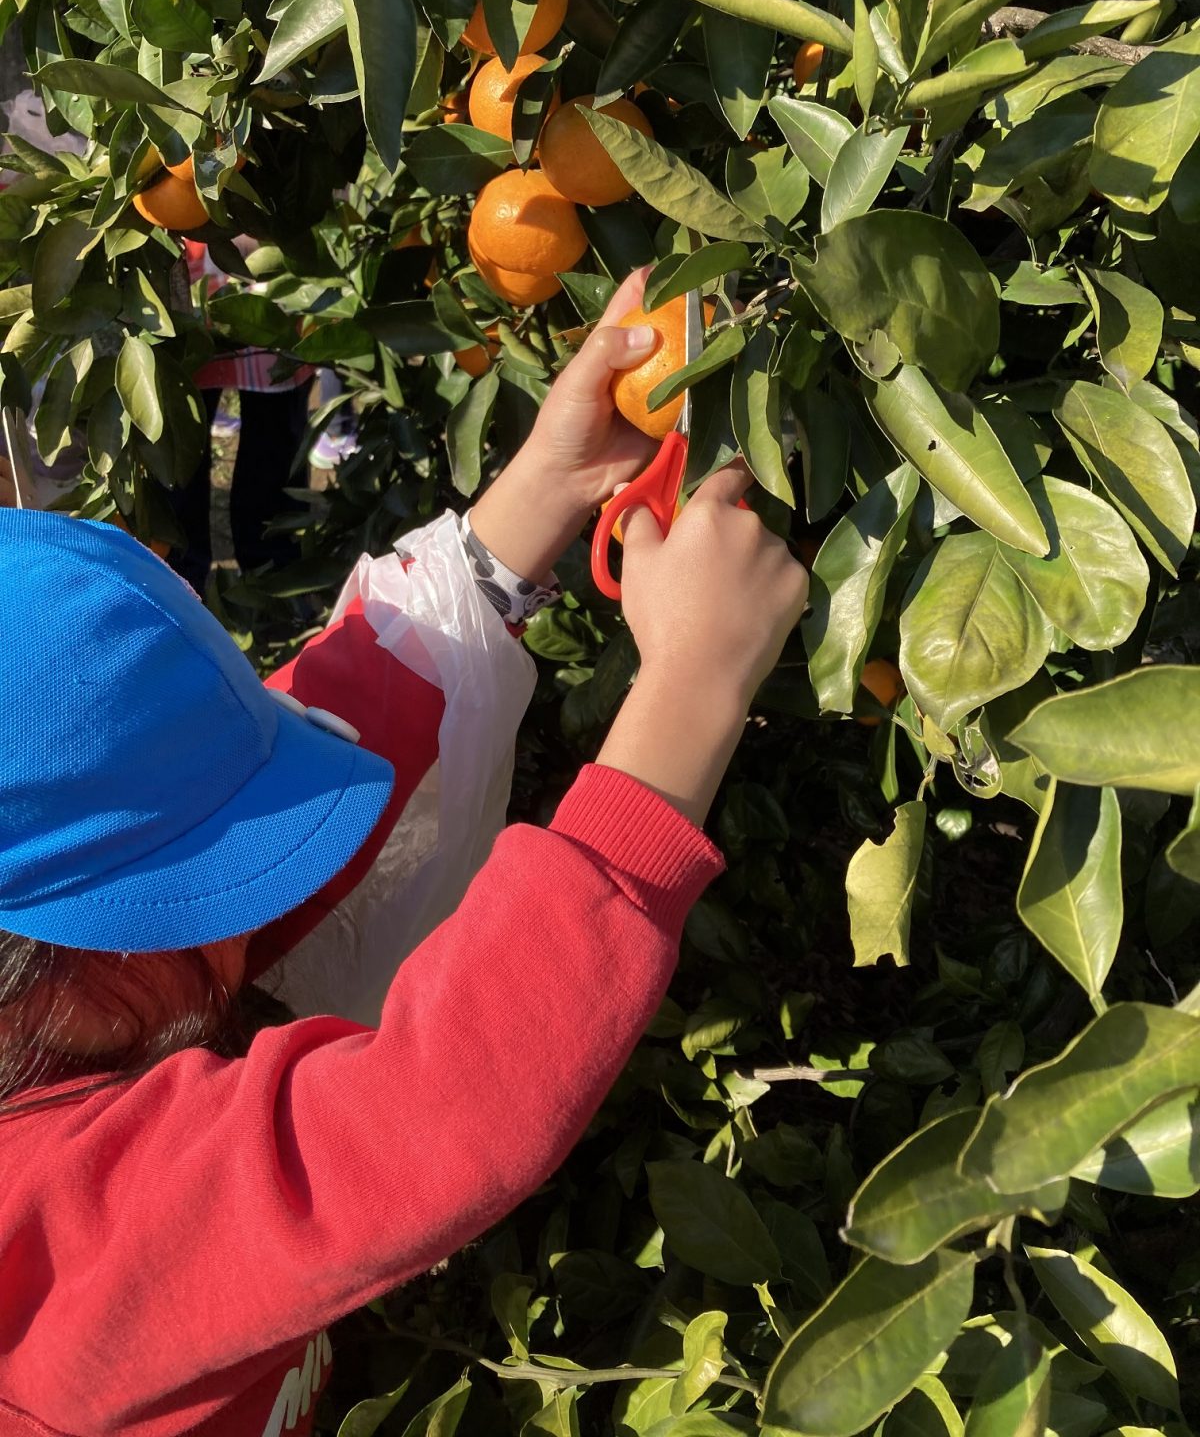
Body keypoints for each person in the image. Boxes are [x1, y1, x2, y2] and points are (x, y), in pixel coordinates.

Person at [0, 269, 808, 1437]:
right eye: (186, 896)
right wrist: (687, 695)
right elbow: (429, 1117)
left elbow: (326, 722)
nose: (238, 911)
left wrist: (550, 485)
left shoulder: (61, 991)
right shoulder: (38, 1242)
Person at [171, 237, 316, 594]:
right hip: (182, 270)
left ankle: (272, 568)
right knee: (181, 451)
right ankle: (181, 576)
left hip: (269, 279)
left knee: (273, 444)